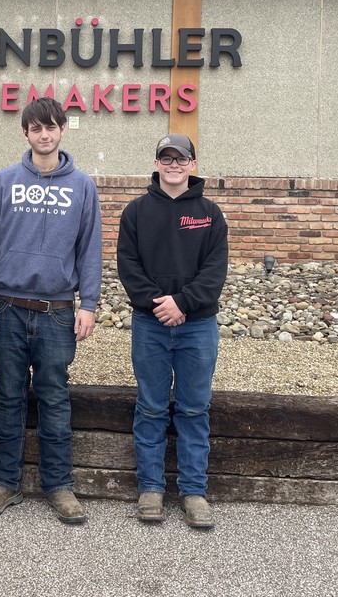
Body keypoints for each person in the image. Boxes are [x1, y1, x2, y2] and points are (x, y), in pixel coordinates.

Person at [0, 97, 103, 525]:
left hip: (57, 311)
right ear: (25, 133)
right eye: (36, 128)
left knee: (54, 399)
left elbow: (90, 248)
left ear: (62, 129)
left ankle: (59, 485)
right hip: (7, 308)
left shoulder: (82, 186)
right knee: (8, 398)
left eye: (51, 127)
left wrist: (89, 303)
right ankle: (4, 483)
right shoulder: (4, 181)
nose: (44, 135)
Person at [116, 133, 229, 529]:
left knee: (194, 408)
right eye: (167, 158)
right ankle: (151, 488)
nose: (174, 165)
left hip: (198, 326)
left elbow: (214, 272)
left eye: (181, 158)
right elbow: (128, 266)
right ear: (156, 164)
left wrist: (183, 302)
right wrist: (159, 304)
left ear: (192, 165)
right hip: (151, 325)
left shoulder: (210, 214)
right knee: (150, 406)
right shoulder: (136, 212)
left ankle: (194, 492)